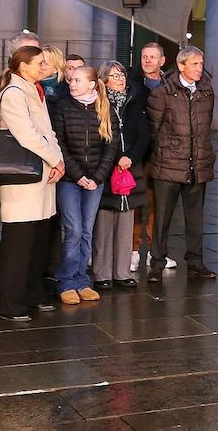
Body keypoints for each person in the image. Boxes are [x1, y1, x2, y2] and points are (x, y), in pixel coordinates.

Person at [0, 46, 65, 322]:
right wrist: (54, 159)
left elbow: (48, 131)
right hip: (22, 179)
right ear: (23, 67)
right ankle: (8, 303)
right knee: (19, 244)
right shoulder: (13, 93)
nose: (45, 67)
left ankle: (32, 295)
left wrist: (58, 160)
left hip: (42, 175)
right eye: (40, 63)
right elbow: (27, 135)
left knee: (37, 241)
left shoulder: (35, 89)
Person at [147, 46, 217, 281]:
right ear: (181, 65)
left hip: (198, 164)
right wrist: (167, 151)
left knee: (195, 218)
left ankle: (196, 261)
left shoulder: (206, 90)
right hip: (168, 164)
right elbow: (153, 129)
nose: (199, 68)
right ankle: (157, 262)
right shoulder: (163, 91)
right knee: (162, 218)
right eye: (195, 64)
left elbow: (205, 127)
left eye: (201, 64)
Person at [50, 66, 118, 305]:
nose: (72, 83)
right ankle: (66, 282)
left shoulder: (104, 108)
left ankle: (81, 280)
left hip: (95, 181)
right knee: (74, 230)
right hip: (70, 180)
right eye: (71, 80)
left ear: (91, 84)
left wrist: (98, 177)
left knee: (87, 231)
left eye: (78, 80)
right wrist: (78, 175)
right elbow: (58, 143)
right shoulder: (62, 106)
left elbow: (111, 145)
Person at [92, 61, 148, 289]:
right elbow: (98, 138)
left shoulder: (135, 101)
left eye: (122, 74)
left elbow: (144, 136)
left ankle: (122, 272)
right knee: (104, 223)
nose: (121, 79)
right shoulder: (97, 103)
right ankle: (102, 273)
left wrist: (130, 158)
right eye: (115, 76)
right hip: (106, 168)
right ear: (104, 80)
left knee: (126, 221)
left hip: (129, 169)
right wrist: (115, 159)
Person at [131, 42, 174, 271]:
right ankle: (134, 250)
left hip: (163, 154)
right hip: (140, 153)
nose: (147, 61)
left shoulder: (170, 84)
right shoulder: (133, 84)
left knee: (158, 204)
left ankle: (155, 251)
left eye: (152, 57)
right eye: (144, 56)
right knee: (138, 202)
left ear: (162, 61)